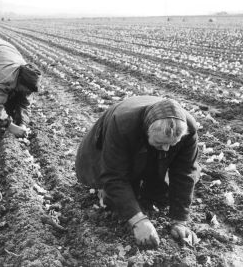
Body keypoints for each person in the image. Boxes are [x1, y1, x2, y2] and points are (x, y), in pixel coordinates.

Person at [75, 96, 200, 247]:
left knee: (158, 194)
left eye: (172, 144)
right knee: (114, 197)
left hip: (145, 138)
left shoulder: (189, 129)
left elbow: (185, 173)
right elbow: (114, 174)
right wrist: (138, 220)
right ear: (147, 131)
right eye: (161, 143)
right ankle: (103, 190)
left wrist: (180, 220)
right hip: (115, 141)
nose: (167, 149)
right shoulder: (122, 125)